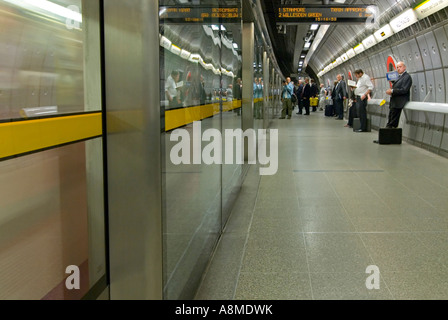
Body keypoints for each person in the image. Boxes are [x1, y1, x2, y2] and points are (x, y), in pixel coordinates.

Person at [385, 61, 412, 128]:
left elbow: (404, 90)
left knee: (393, 123)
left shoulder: (407, 77)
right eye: (397, 67)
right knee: (390, 120)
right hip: (394, 102)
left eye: (400, 67)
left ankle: (390, 136)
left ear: (404, 67)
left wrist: (392, 91)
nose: (398, 69)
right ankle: (386, 137)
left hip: (399, 102)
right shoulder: (399, 77)